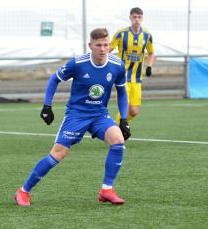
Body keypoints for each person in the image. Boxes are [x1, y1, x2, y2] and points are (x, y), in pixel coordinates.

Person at [14, 28, 131, 206]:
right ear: (90, 45)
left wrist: (123, 119)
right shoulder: (77, 64)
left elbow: (122, 92)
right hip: (77, 115)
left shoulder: (117, 65)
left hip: (99, 114)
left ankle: (106, 190)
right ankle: (23, 191)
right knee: (58, 153)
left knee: (118, 141)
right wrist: (47, 106)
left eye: (106, 45)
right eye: (98, 45)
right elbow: (54, 79)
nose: (102, 49)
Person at [110, 7, 155, 124]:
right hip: (122, 77)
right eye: (134, 17)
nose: (137, 20)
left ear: (142, 18)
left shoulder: (147, 35)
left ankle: (117, 125)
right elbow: (107, 50)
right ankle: (117, 130)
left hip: (137, 78)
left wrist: (149, 66)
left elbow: (151, 53)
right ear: (130, 18)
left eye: (139, 17)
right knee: (124, 107)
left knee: (134, 111)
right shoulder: (121, 34)